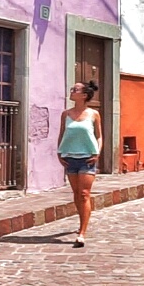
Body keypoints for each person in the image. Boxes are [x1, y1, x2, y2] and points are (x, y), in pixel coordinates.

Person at [57, 80, 103, 248]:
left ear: (84, 95)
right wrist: (59, 152)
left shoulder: (93, 114)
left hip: (87, 157)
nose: (71, 91)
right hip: (70, 157)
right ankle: (81, 221)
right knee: (76, 194)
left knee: (84, 194)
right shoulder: (66, 114)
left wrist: (97, 152)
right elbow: (62, 133)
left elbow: (99, 135)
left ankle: (82, 233)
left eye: (75, 89)